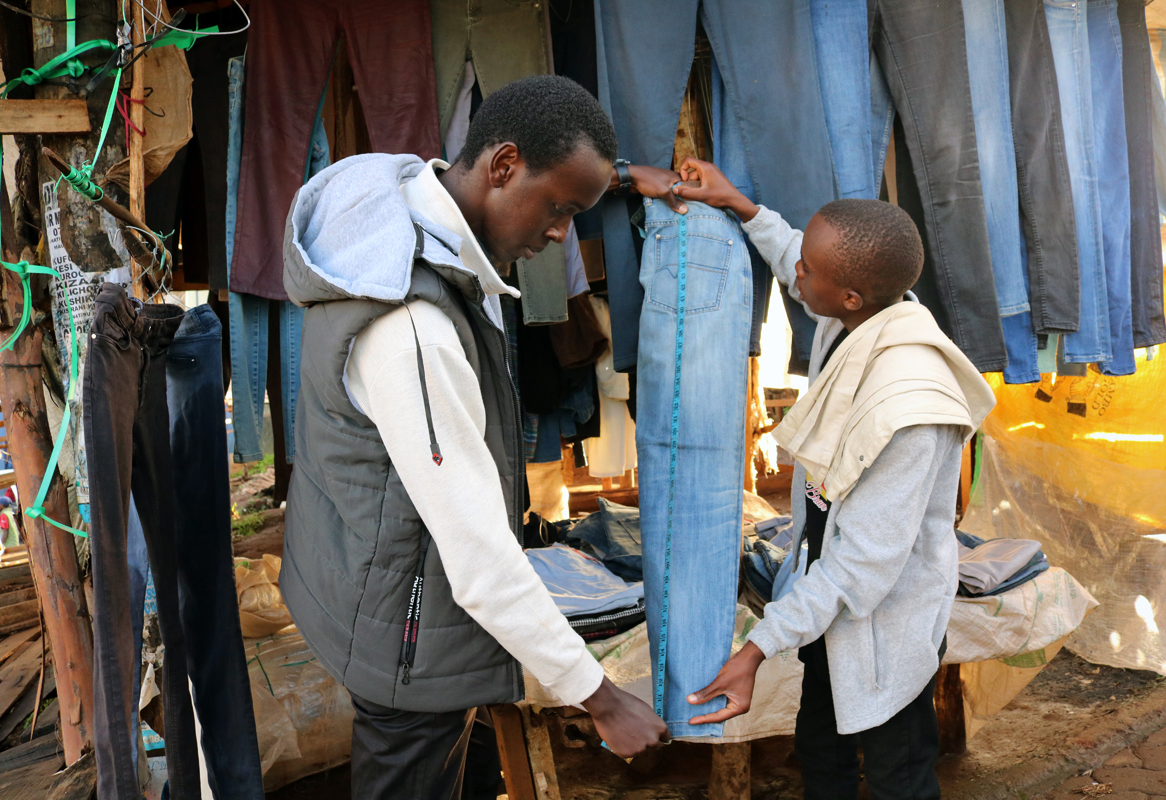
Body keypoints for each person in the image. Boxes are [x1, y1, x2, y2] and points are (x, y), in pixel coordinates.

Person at [279, 76, 683, 799]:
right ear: (502, 167)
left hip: (372, 589)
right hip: (410, 645)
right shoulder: (412, 326)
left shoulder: (404, 209)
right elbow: (476, 556)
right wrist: (600, 697)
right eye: (560, 208)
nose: (562, 233)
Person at [670, 159, 995, 800]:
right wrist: (740, 203)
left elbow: (863, 567)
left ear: (849, 294)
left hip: (884, 623)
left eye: (808, 273)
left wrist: (755, 650)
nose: (796, 276)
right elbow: (800, 253)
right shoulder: (857, 318)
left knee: (899, 774)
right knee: (822, 759)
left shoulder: (911, 407)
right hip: (828, 607)